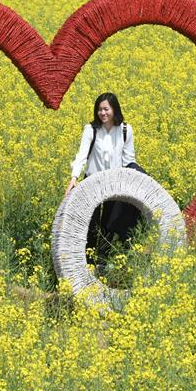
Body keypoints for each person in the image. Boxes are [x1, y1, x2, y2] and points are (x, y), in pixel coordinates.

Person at [65, 93, 146, 263]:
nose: (102, 113)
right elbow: (82, 156)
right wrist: (74, 177)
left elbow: (129, 159)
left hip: (114, 185)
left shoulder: (125, 130)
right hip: (92, 184)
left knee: (109, 224)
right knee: (90, 225)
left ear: (114, 109)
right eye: (99, 110)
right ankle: (86, 262)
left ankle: (102, 262)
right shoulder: (91, 129)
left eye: (106, 109)